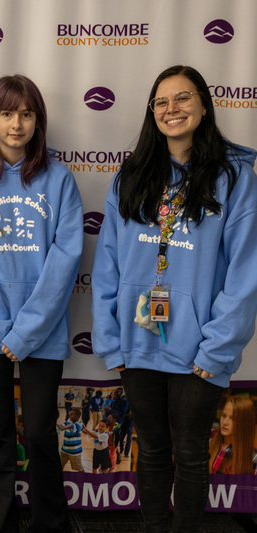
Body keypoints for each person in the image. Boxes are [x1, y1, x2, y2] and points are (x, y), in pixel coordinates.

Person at [91, 65, 257, 532]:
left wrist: (218, 348)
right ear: (152, 113)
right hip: (138, 342)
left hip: (198, 349)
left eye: (183, 99)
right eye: (161, 102)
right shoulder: (131, 176)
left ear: (204, 105)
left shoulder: (236, 180)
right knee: (152, 447)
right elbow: (108, 263)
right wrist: (110, 337)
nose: (172, 110)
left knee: (188, 452)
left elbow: (246, 275)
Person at [0, 74, 83, 533]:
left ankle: (51, 523)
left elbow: (65, 259)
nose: (16, 123)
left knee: (43, 435)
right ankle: (2, 524)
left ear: (38, 121)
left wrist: (25, 331)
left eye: (26, 113)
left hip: (42, 332)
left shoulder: (60, 179)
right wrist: (0, 329)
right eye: (7, 113)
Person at [209, 395, 257, 474]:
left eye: (233, 418)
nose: (225, 422)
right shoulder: (208, 442)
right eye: (224, 416)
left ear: (244, 423)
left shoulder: (253, 457)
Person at [58, 408, 85, 473]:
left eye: (72, 415)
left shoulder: (79, 424)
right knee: (59, 465)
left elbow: (70, 426)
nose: (70, 416)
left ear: (78, 416)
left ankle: (84, 478)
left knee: (79, 468)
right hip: (64, 450)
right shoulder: (68, 421)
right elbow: (61, 426)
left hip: (74, 451)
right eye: (69, 415)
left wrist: (62, 427)